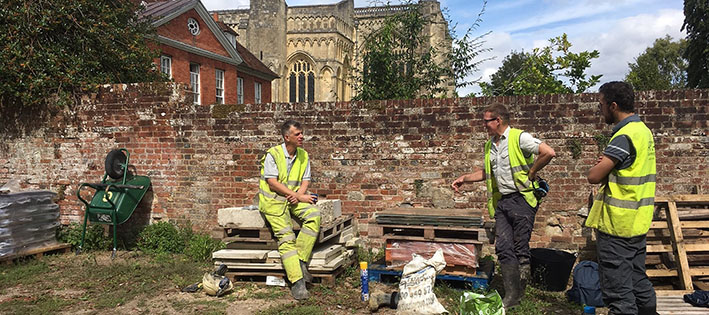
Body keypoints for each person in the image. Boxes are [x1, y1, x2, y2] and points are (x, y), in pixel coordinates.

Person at [451, 103, 556, 309]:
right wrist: (465, 178)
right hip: (503, 202)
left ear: (497, 120)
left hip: (522, 199)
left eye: (486, 121)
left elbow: (548, 152)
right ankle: (511, 296)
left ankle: (521, 293)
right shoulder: (490, 144)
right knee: (503, 247)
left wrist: (533, 171)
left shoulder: (519, 137)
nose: (484, 125)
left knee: (519, 247)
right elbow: (487, 172)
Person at [586, 81, 657, 315]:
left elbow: (594, 176)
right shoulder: (643, 131)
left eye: (602, 105)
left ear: (614, 105)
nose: (601, 110)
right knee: (638, 282)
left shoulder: (623, 137)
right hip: (638, 222)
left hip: (618, 226)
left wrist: (602, 165)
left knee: (619, 294)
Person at [258, 120, 321, 300]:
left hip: (293, 199)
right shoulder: (273, 154)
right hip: (274, 202)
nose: (302, 137)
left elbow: (305, 180)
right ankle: (297, 282)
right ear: (287, 137)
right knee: (287, 237)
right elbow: (272, 182)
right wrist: (298, 196)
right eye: (297, 134)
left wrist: (299, 195)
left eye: (302, 133)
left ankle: (300, 261)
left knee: (314, 215)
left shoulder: (303, 155)